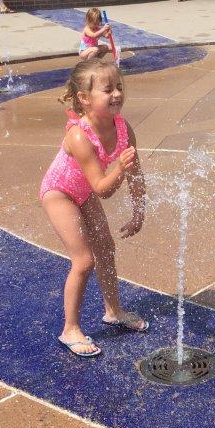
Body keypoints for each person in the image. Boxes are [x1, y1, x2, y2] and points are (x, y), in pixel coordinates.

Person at [39, 58, 148, 357]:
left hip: (84, 192)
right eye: (108, 89)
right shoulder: (78, 135)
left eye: (119, 87)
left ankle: (113, 310)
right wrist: (120, 170)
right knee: (84, 261)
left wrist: (139, 211)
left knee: (107, 248)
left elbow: (135, 173)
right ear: (85, 99)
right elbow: (104, 189)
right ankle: (69, 328)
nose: (117, 94)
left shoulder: (124, 128)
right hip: (59, 193)